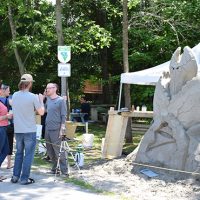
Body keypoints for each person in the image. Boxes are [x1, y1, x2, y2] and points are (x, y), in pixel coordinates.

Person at [11, 74, 44, 185]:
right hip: (29, 130)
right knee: (28, 155)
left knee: (19, 153)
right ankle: (24, 179)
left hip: (18, 130)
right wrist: (41, 100)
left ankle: (15, 176)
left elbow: (21, 109)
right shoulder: (32, 97)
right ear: (30, 83)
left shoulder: (15, 95)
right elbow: (41, 112)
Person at [45, 83, 68, 176]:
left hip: (56, 128)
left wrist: (62, 128)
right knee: (50, 150)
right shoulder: (48, 100)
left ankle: (65, 171)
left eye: (48, 88)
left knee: (59, 150)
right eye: (46, 88)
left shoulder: (61, 100)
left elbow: (64, 115)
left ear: (54, 89)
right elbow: (44, 111)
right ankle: (55, 168)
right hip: (47, 128)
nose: (47, 90)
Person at [0, 82, 13, 182]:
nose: (9, 91)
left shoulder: (5, 101)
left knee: (5, 150)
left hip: (4, 128)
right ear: (2, 90)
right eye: (8, 89)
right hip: (1, 129)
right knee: (2, 151)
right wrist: (6, 116)